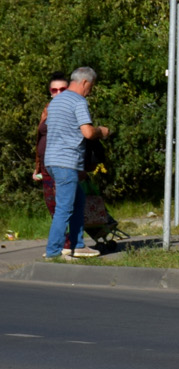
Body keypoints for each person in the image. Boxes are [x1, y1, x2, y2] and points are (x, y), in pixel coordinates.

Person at [43, 66, 112, 259]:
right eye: (91, 86)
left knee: (79, 200)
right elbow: (88, 133)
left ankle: (78, 245)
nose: (90, 90)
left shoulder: (55, 103)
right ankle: (54, 251)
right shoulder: (78, 101)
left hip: (52, 160)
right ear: (84, 82)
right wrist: (102, 131)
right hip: (66, 162)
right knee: (64, 208)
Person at [31, 72, 70, 234]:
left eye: (62, 89)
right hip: (46, 166)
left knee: (64, 206)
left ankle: (70, 244)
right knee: (51, 205)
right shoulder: (47, 109)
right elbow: (40, 139)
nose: (58, 93)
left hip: (62, 164)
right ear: (50, 91)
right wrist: (37, 167)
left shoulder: (71, 108)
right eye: (54, 90)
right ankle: (63, 243)